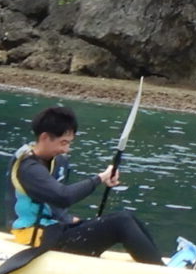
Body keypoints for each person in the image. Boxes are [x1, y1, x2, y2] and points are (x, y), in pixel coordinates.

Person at [8, 105, 162, 264]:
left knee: (127, 216)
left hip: (54, 230)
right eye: (63, 143)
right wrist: (100, 178)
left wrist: (66, 218)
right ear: (45, 137)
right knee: (121, 222)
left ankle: (158, 264)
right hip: (36, 239)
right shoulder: (28, 168)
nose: (66, 149)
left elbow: (50, 200)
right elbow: (63, 197)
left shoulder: (56, 160)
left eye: (69, 143)